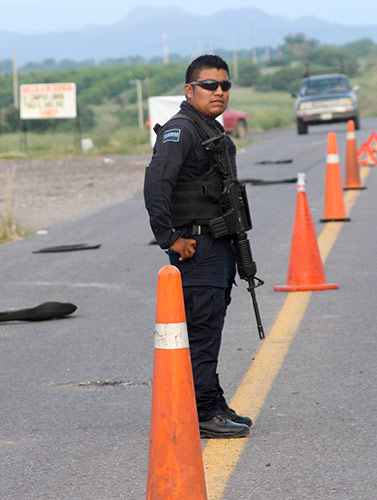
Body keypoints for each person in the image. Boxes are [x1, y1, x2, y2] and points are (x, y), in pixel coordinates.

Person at [144, 54, 252, 439]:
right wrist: (169, 237)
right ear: (189, 90)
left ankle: (211, 399)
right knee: (203, 329)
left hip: (216, 245)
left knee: (210, 328)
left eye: (224, 85)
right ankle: (203, 411)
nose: (219, 91)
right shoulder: (181, 131)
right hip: (197, 247)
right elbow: (157, 186)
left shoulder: (208, 129)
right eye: (210, 85)